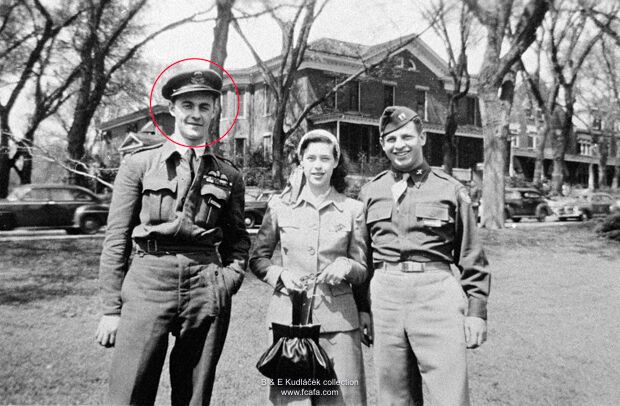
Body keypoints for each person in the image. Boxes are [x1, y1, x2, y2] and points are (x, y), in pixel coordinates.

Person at [95, 69, 250, 405]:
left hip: (205, 285)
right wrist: (111, 309)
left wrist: (228, 280)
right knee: (130, 390)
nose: (196, 114)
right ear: (173, 109)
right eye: (187, 105)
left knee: (194, 394)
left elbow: (238, 239)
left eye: (204, 107)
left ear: (214, 112)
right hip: (148, 280)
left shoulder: (227, 174)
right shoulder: (139, 164)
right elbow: (116, 238)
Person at [359, 106, 490, 405]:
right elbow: (362, 256)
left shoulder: (450, 189)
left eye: (407, 137)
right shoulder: (370, 192)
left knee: (449, 395)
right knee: (394, 396)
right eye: (391, 139)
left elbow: (471, 254)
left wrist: (476, 312)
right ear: (382, 144)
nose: (399, 145)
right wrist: (362, 307)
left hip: (436, 294)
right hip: (385, 298)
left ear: (422, 137)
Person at [250, 129, 368, 405]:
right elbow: (258, 259)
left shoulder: (353, 209)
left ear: (335, 162)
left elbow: (362, 268)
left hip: (338, 323)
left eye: (325, 159)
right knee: (293, 401)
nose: (318, 165)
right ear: (300, 161)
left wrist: (346, 266)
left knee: (342, 399)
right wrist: (280, 274)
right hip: (289, 324)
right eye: (311, 158)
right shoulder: (279, 205)